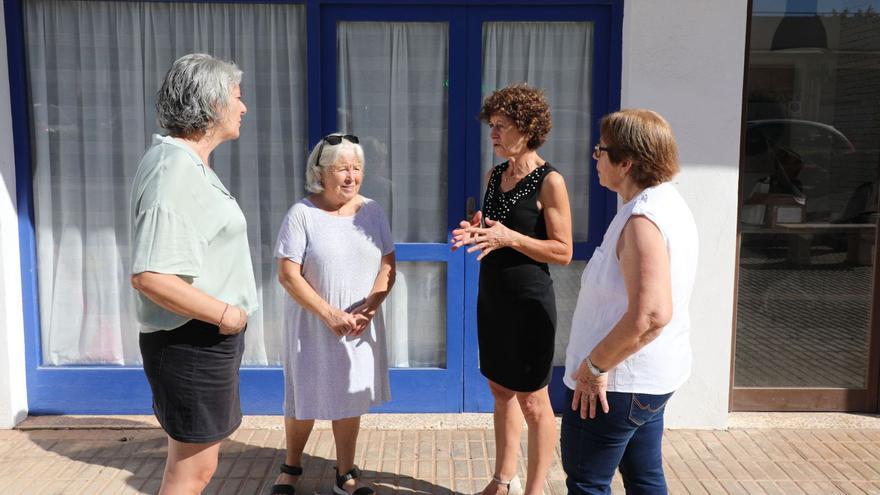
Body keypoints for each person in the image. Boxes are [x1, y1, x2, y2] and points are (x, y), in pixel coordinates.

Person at [130, 53, 257, 494]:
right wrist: (228, 314)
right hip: (192, 340)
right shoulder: (175, 170)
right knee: (193, 472)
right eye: (237, 98)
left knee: (187, 467)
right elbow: (151, 275)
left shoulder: (183, 164)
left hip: (196, 340)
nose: (243, 108)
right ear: (211, 104)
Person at [561, 109, 698, 494]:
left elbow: (653, 314)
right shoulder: (663, 205)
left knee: (588, 483)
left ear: (626, 162)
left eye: (600, 151)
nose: (595, 158)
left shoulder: (644, 219)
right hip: (640, 382)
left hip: (615, 385)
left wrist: (593, 366)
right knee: (643, 479)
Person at [452, 84, 573, 495]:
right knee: (501, 390)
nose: (493, 135)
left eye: (500, 127)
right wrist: (475, 231)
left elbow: (563, 250)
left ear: (526, 128)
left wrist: (510, 239)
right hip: (494, 298)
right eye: (492, 126)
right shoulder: (495, 176)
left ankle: (535, 489)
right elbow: (494, 229)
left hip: (529, 302)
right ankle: (503, 480)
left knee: (535, 401)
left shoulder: (550, 181)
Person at [271, 133, 395, 495]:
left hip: (358, 325)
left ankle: (345, 474)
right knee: (303, 396)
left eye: (356, 168)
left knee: (349, 395)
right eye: (342, 169)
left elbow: (387, 265)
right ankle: (292, 465)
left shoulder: (372, 211)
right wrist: (328, 314)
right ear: (320, 173)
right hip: (313, 323)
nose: (350, 177)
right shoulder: (302, 214)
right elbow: (288, 275)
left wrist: (372, 304)